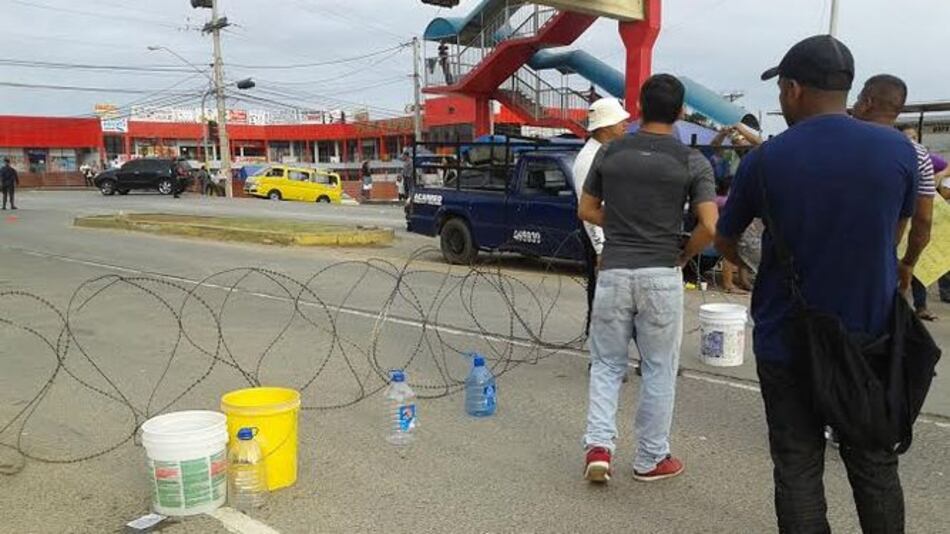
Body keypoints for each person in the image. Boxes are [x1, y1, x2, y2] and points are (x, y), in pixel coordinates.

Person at [716, 35, 917, 533]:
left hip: (788, 340)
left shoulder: (765, 160)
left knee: (798, 466)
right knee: (874, 465)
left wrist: (743, 266)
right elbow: (896, 230)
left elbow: (726, 239)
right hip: (868, 340)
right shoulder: (898, 150)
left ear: (792, 88)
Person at [578, 74, 717, 483]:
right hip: (660, 272)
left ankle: (599, 448)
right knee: (657, 367)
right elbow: (710, 224)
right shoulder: (692, 161)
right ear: (679, 112)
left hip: (616, 270)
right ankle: (651, 458)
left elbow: (587, 209)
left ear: (637, 108)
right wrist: (684, 253)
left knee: (605, 364)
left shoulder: (611, 151)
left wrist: (622, 225)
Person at [852, 79, 937, 323]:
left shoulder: (839, 144)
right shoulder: (917, 154)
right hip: (881, 261)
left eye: (858, 99)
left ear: (867, 103)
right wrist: (908, 263)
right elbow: (923, 221)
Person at [572, 97, 630, 336]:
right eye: (620, 121)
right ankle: (599, 356)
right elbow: (589, 210)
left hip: (613, 234)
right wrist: (600, 248)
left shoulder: (606, 151)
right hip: (602, 236)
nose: (625, 125)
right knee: (602, 298)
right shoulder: (589, 160)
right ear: (606, 127)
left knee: (616, 300)